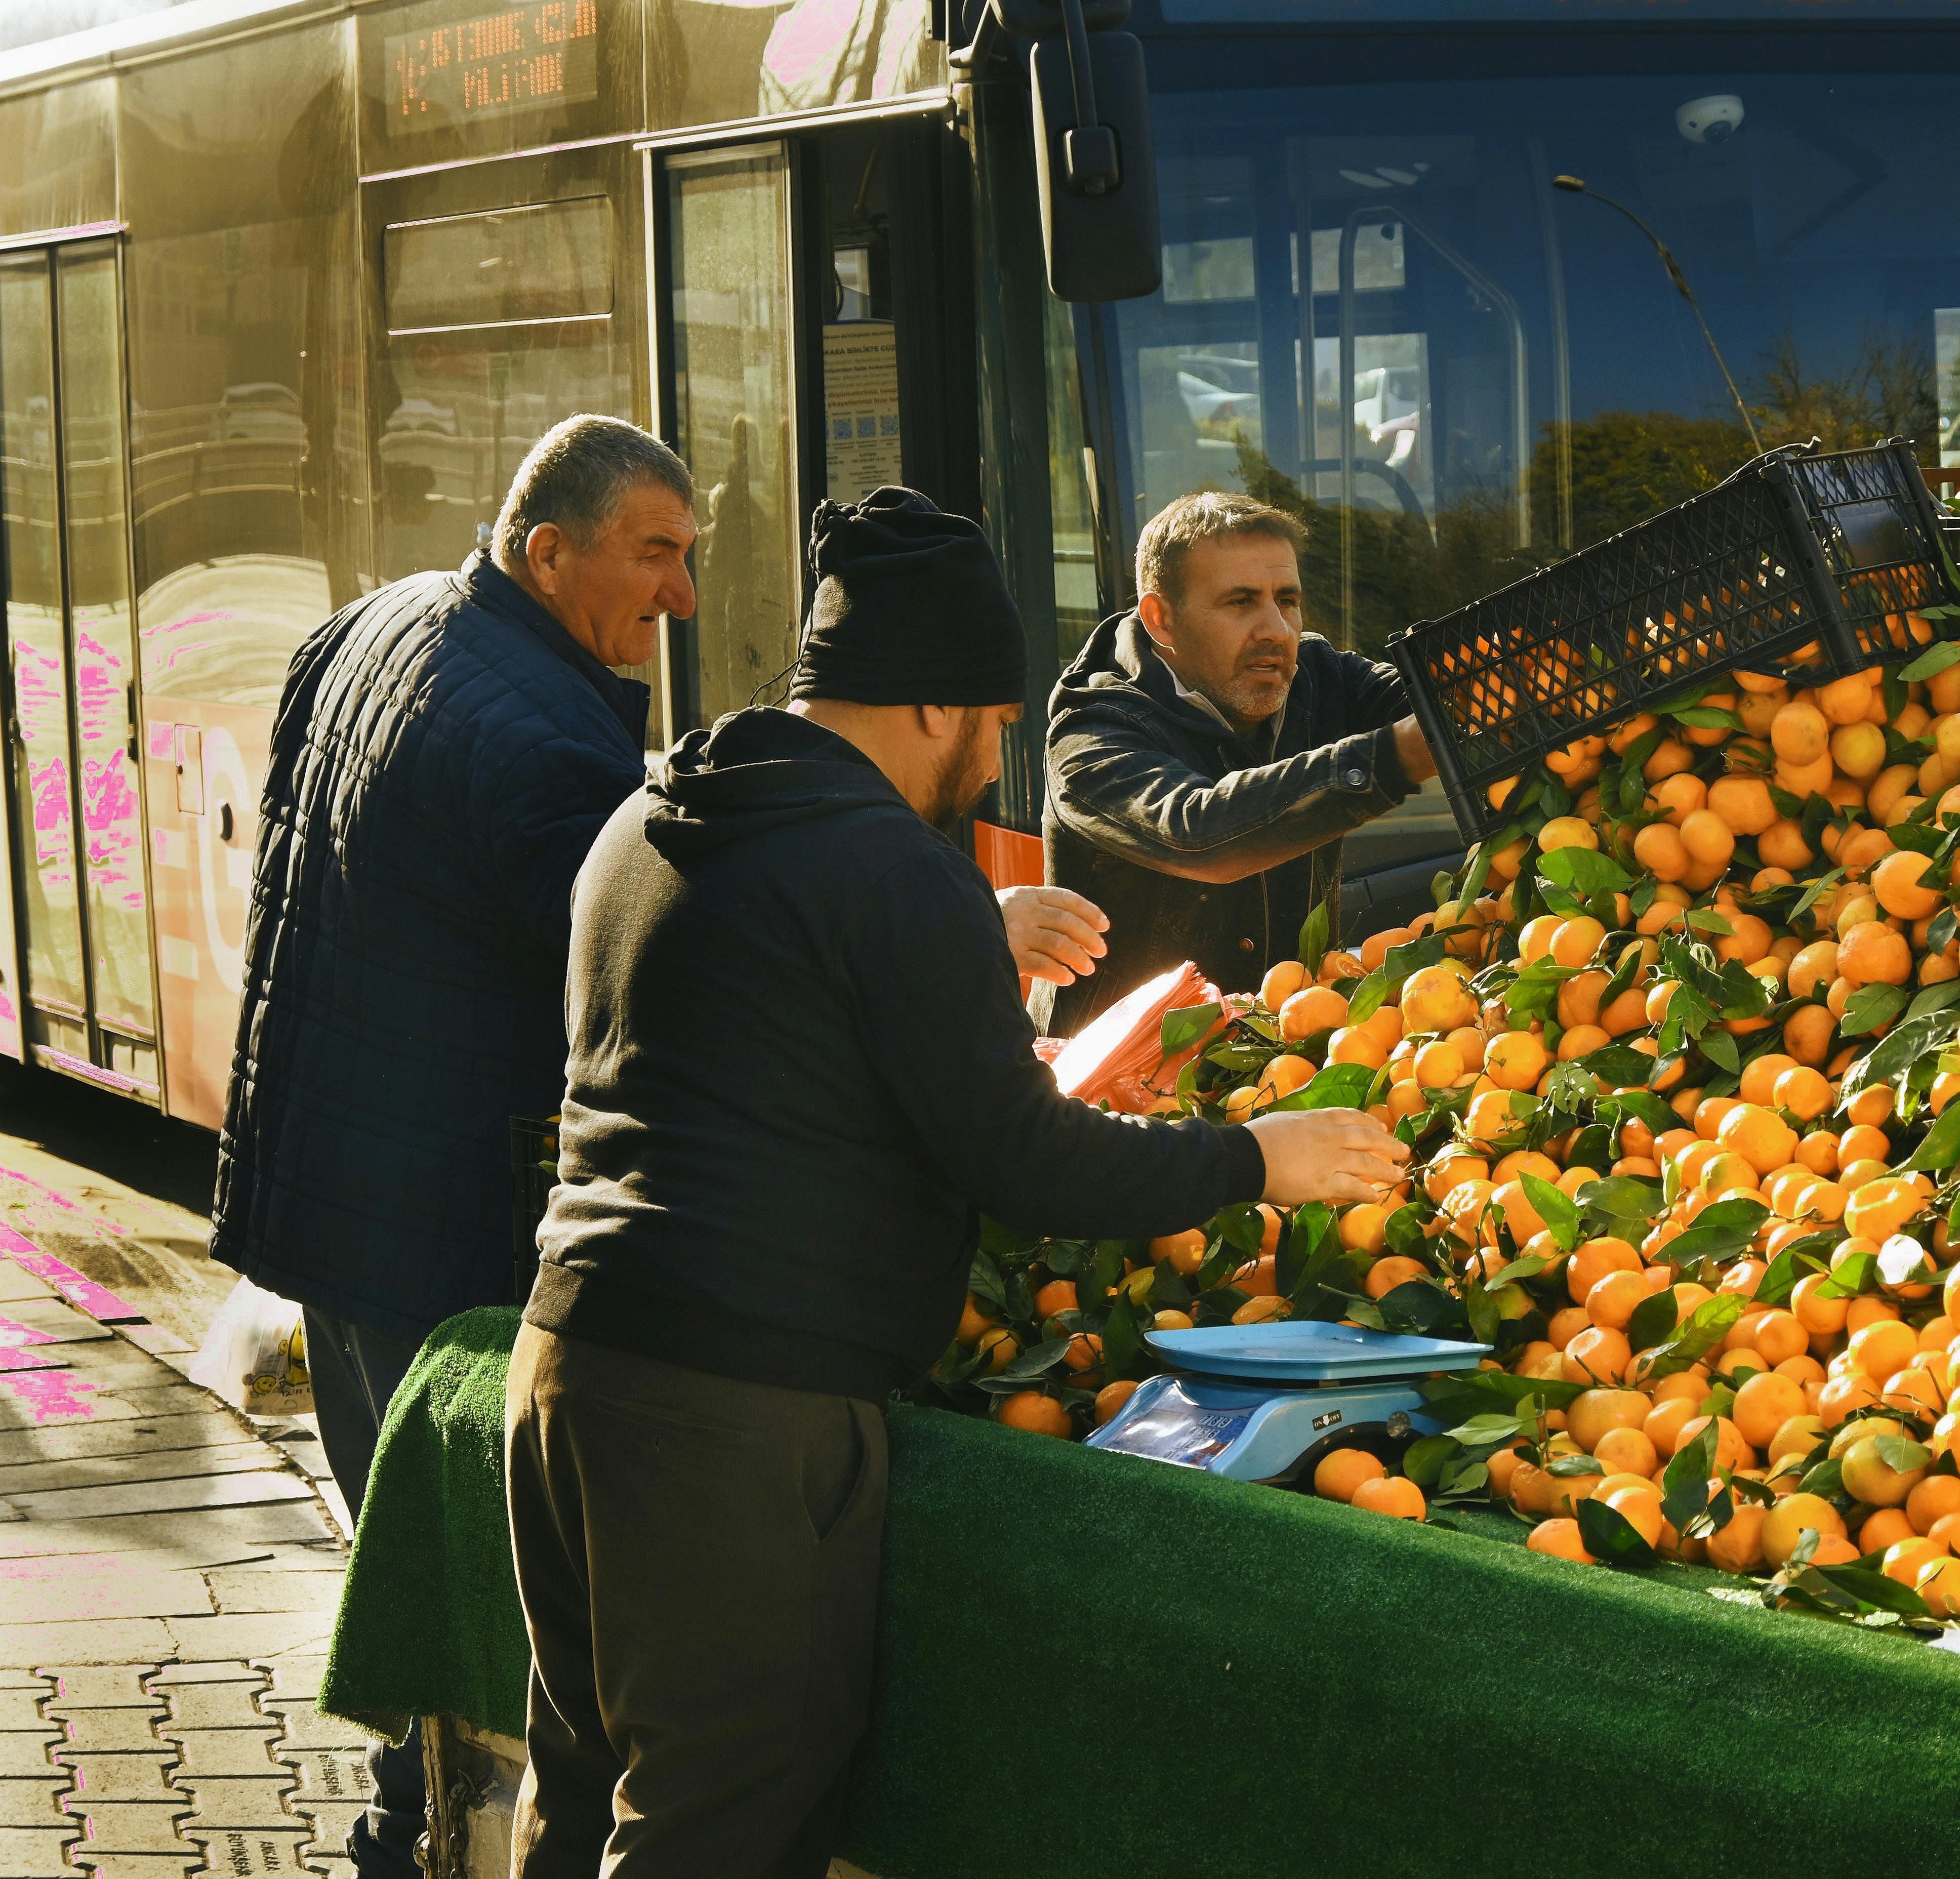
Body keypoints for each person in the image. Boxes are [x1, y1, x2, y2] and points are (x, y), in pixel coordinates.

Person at [504, 487, 1406, 1878]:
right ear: (930, 704)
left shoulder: (654, 817)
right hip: (737, 1412)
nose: (993, 761)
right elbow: (1023, 1161)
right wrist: (1257, 1158)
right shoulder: (887, 865)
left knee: (582, 1785)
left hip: (570, 1357)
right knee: (724, 1810)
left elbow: (760, 1041)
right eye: (988, 725)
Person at [210, 414, 696, 1877]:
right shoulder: (544, 741)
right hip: (434, 1218)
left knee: (399, 1540)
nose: (680, 597)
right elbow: (646, 962)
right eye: (655, 555)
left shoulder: (376, 621)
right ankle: (416, 1837)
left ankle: (407, 1819)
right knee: (471, 1584)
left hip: (328, 1182)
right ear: (550, 553)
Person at [1041, 490, 1438, 1033]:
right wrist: (1400, 755)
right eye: (1241, 602)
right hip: (1121, 1092)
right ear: (1160, 619)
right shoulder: (1092, 733)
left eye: (1288, 601)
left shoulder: (1316, 672)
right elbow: (1198, 830)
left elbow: (1445, 702)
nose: (1276, 629)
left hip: (1284, 1059)